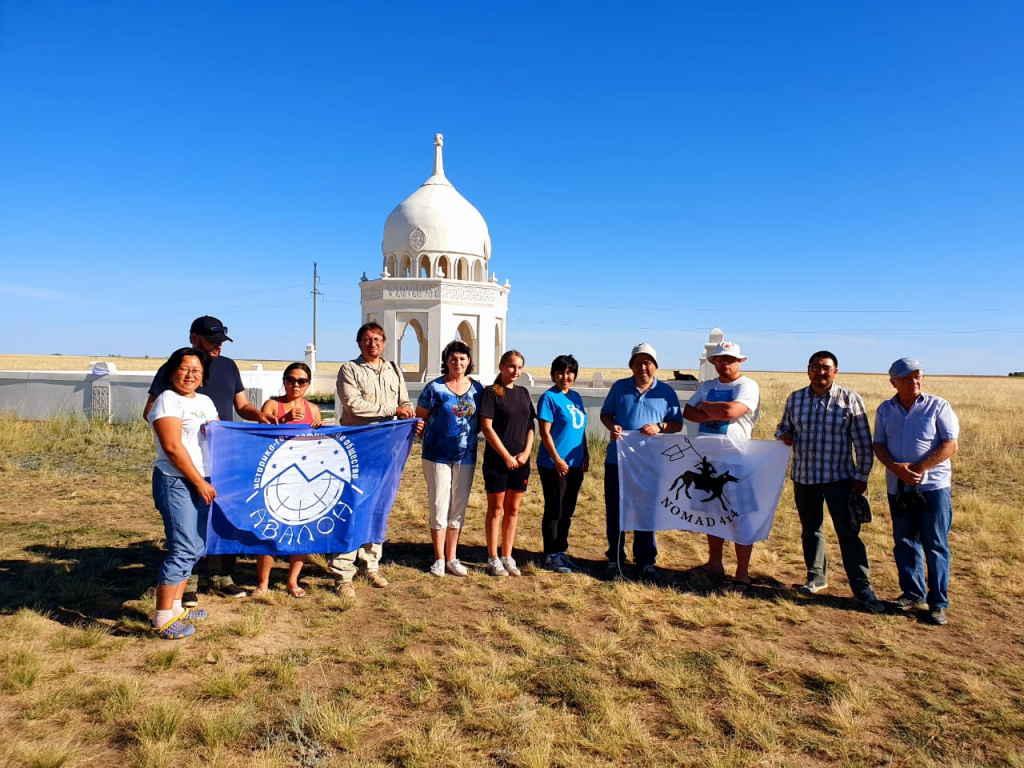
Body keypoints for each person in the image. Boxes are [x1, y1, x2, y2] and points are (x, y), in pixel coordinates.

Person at [144, 316, 276, 605]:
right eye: (211, 341)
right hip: (181, 468)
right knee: (187, 536)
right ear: (194, 338)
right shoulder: (174, 370)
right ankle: (187, 585)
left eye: (220, 342)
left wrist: (258, 416)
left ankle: (220, 576)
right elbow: (152, 412)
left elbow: (242, 405)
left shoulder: (228, 367)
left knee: (219, 522)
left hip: (219, 460)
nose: (217, 346)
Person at [775, 351, 883, 613]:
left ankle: (861, 586)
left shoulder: (850, 399)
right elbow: (782, 427)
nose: (820, 372)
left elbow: (863, 444)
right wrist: (784, 434)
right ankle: (816, 578)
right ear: (808, 370)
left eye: (826, 368)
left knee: (848, 533)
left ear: (835, 371)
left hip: (840, 480)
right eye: (815, 367)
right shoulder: (796, 398)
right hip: (805, 478)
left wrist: (861, 478)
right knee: (811, 530)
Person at [329, 322, 415, 598]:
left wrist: (409, 415)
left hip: (388, 447)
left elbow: (405, 401)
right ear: (359, 343)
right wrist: (394, 410)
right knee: (354, 504)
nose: (373, 344)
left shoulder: (393, 369)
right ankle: (343, 572)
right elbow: (353, 404)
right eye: (367, 339)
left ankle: (371, 562)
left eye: (378, 339)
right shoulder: (350, 370)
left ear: (385, 342)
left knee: (380, 504)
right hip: (359, 448)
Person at [873, 358, 959, 626]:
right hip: (898, 488)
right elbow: (879, 445)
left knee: (935, 545)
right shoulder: (885, 409)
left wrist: (919, 468)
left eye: (918, 377)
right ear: (893, 382)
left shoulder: (938, 406)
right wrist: (896, 469)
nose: (914, 382)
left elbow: (950, 445)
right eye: (907, 378)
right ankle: (912, 594)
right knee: (905, 542)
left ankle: (937, 604)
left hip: (933, 489)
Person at [147, 347, 218, 639]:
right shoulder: (167, 400)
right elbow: (173, 448)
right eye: (185, 368)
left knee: (197, 545)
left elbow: (218, 436)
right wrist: (199, 482)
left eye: (197, 371)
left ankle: (177, 606)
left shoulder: (205, 401)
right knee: (183, 546)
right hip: (176, 481)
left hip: (204, 479)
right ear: (172, 370)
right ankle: (162, 617)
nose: (191, 375)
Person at [600, 343, 682, 581]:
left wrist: (660, 427)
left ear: (655, 366)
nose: (642, 368)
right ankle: (615, 559)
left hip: (650, 464)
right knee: (615, 511)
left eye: (647, 363)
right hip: (618, 460)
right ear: (631, 366)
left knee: (646, 511)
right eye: (637, 363)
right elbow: (606, 414)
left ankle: (646, 561)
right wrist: (611, 426)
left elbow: (676, 424)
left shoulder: (665, 392)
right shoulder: (619, 387)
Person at [683, 341, 760, 590]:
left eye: (730, 359)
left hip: (735, 461)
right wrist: (715, 411)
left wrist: (706, 407)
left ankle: (742, 572)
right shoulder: (707, 386)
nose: (725, 363)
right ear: (714, 362)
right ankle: (715, 562)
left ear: (739, 362)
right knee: (712, 513)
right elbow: (688, 412)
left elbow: (732, 411)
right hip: (708, 459)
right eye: (720, 359)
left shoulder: (747, 385)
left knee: (739, 516)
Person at [415, 340, 484, 577]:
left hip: (466, 455)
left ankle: (453, 557)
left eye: (462, 359)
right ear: (446, 361)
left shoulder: (478, 389)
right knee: (439, 503)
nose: (458, 363)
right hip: (437, 455)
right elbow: (420, 418)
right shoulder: (435, 388)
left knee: (458, 505)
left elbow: (484, 419)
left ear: (468, 361)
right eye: (453, 359)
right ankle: (438, 558)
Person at [253, 363, 322, 598]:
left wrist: (321, 431)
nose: (296, 385)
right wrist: (284, 419)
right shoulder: (273, 404)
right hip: (275, 474)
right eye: (291, 380)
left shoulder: (313, 408)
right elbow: (261, 437)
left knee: (301, 529)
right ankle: (263, 583)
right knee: (270, 529)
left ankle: (292, 580)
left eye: (301, 381)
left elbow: (318, 445)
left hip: (304, 476)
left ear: (308, 384)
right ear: (284, 381)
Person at [480, 350, 536, 577]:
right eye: (512, 366)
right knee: (496, 509)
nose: (516, 371)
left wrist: (525, 453)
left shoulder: (523, 393)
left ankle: (507, 555)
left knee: (513, 510)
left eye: (519, 367)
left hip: (521, 461)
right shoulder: (492, 393)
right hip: (497, 461)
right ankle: (493, 557)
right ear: (502, 366)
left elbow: (531, 426)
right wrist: (506, 456)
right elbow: (487, 427)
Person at [537, 354, 589, 573]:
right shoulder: (549, 398)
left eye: (569, 372)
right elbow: (544, 432)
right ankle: (550, 555)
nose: (564, 377)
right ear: (554, 374)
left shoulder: (576, 397)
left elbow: (580, 429)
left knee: (567, 510)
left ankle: (561, 552)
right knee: (554, 510)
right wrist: (557, 459)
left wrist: (585, 454)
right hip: (553, 464)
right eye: (560, 372)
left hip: (575, 464)